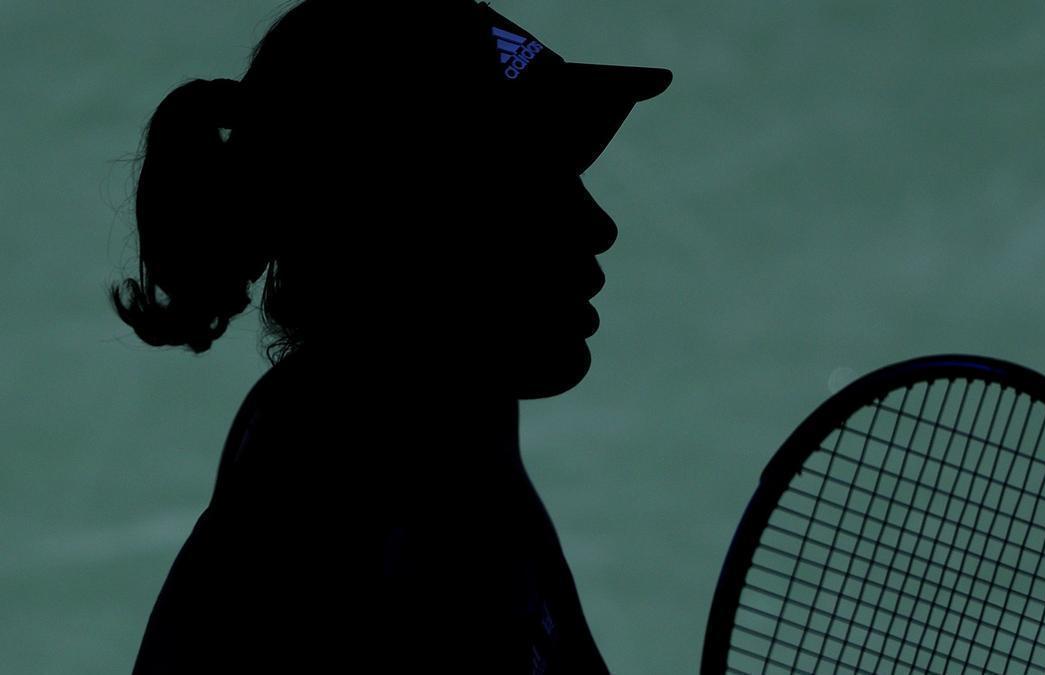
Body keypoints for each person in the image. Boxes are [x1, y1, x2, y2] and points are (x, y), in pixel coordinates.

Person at [108, 1, 672, 672]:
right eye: (530, 185)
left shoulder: (449, 424)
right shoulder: (352, 539)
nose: (597, 224)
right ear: (406, 228)